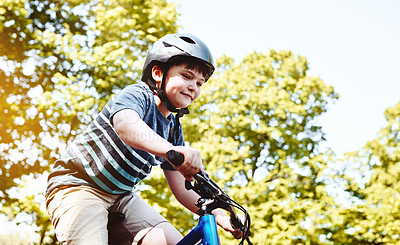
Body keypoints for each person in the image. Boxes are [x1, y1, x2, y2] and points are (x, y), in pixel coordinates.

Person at [45, 33, 242, 245]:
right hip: (79, 186)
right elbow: (126, 126)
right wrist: (171, 151)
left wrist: (221, 215)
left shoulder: (173, 129)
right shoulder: (138, 95)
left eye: (200, 83)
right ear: (158, 73)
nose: (194, 86)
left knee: (170, 241)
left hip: (120, 196)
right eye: (186, 76)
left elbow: (181, 189)